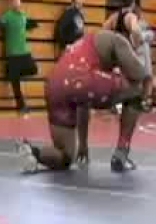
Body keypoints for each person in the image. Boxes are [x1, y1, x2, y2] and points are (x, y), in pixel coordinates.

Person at [18, 30, 148, 174]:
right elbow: (141, 77)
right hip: (81, 78)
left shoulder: (85, 45)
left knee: (66, 156)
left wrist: (83, 144)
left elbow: (83, 102)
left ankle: (33, 153)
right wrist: (145, 98)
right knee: (136, 91)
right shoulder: (119, 41)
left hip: (54, 83)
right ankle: (122, 153)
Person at [0, 0, 38, 114]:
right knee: (15, 83)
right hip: (13, 53)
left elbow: (27, 25)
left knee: (34, 69)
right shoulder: (8, 16)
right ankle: (21, 107)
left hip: (24, 52)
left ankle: (11, 72)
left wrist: (34, 24)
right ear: (11, 4)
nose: (17, 3)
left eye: (18, 1)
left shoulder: (23, 16)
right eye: (14, 1)